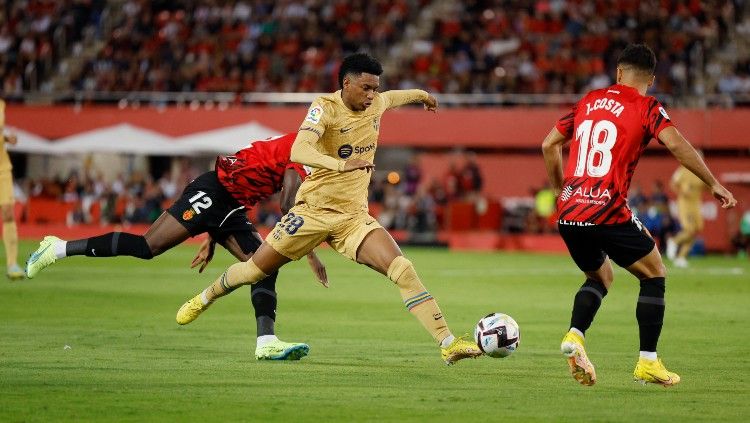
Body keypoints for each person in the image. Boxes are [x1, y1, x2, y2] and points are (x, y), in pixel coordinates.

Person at [175, 52, 483, 365]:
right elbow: (299, 148)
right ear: (346, 83)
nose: (371, 95)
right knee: (254, 270)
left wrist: (423, 96)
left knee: (402, 268)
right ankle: (205, 297)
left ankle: (448, 343)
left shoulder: (376, 102)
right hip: (311, 213)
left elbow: (393, 97)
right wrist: (340, 165)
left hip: (352, 218)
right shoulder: (324, 107)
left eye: (374, 88)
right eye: (365, 88)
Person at [25, 133, 328, 360]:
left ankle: (266, 343)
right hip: (212, 192)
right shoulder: (308, 148)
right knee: (148, 247)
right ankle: (57, 247)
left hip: (231, 204)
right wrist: (311, 255)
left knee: (263, 266)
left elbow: (249, 173)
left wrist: (212, 236)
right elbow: (289, 203)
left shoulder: (308, 143)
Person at [541, 44, 736, 387]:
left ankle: (575, 334)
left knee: (600, 277)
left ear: (618, 72)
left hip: (570, 212)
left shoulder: (588, 101)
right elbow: (676, 145)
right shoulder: (648, 106)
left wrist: (561, 190)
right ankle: (647, 361)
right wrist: (714, 183)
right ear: (652, 79)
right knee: (655, 273)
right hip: (607, 209)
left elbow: (549, 144)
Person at [667, 159, 707, 267]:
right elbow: (672, 183)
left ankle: (681, 257)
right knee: (689, 229)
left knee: (695, 230)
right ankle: (674, 241)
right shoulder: (683, 170)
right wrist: (681, 192)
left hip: (696, 204)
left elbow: (707, 186)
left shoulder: (702, 172)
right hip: (685, 204)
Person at [0, 99, 24, 280]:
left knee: (8, 213)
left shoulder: (1, 105)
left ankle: (12, 264)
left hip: (2, 169)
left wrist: (8, 138)